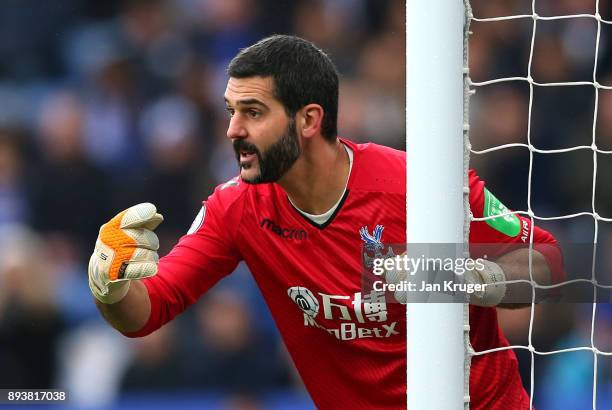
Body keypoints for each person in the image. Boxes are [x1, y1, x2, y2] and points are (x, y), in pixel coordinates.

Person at [88, 35, 564, 409]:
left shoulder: (423, 186)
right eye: (231, 112)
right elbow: (149, 310)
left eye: (253, 113)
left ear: (309, 120)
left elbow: (544, 263)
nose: (233, 130)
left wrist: (450, 276)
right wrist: (109, 289)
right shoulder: (236, 207)